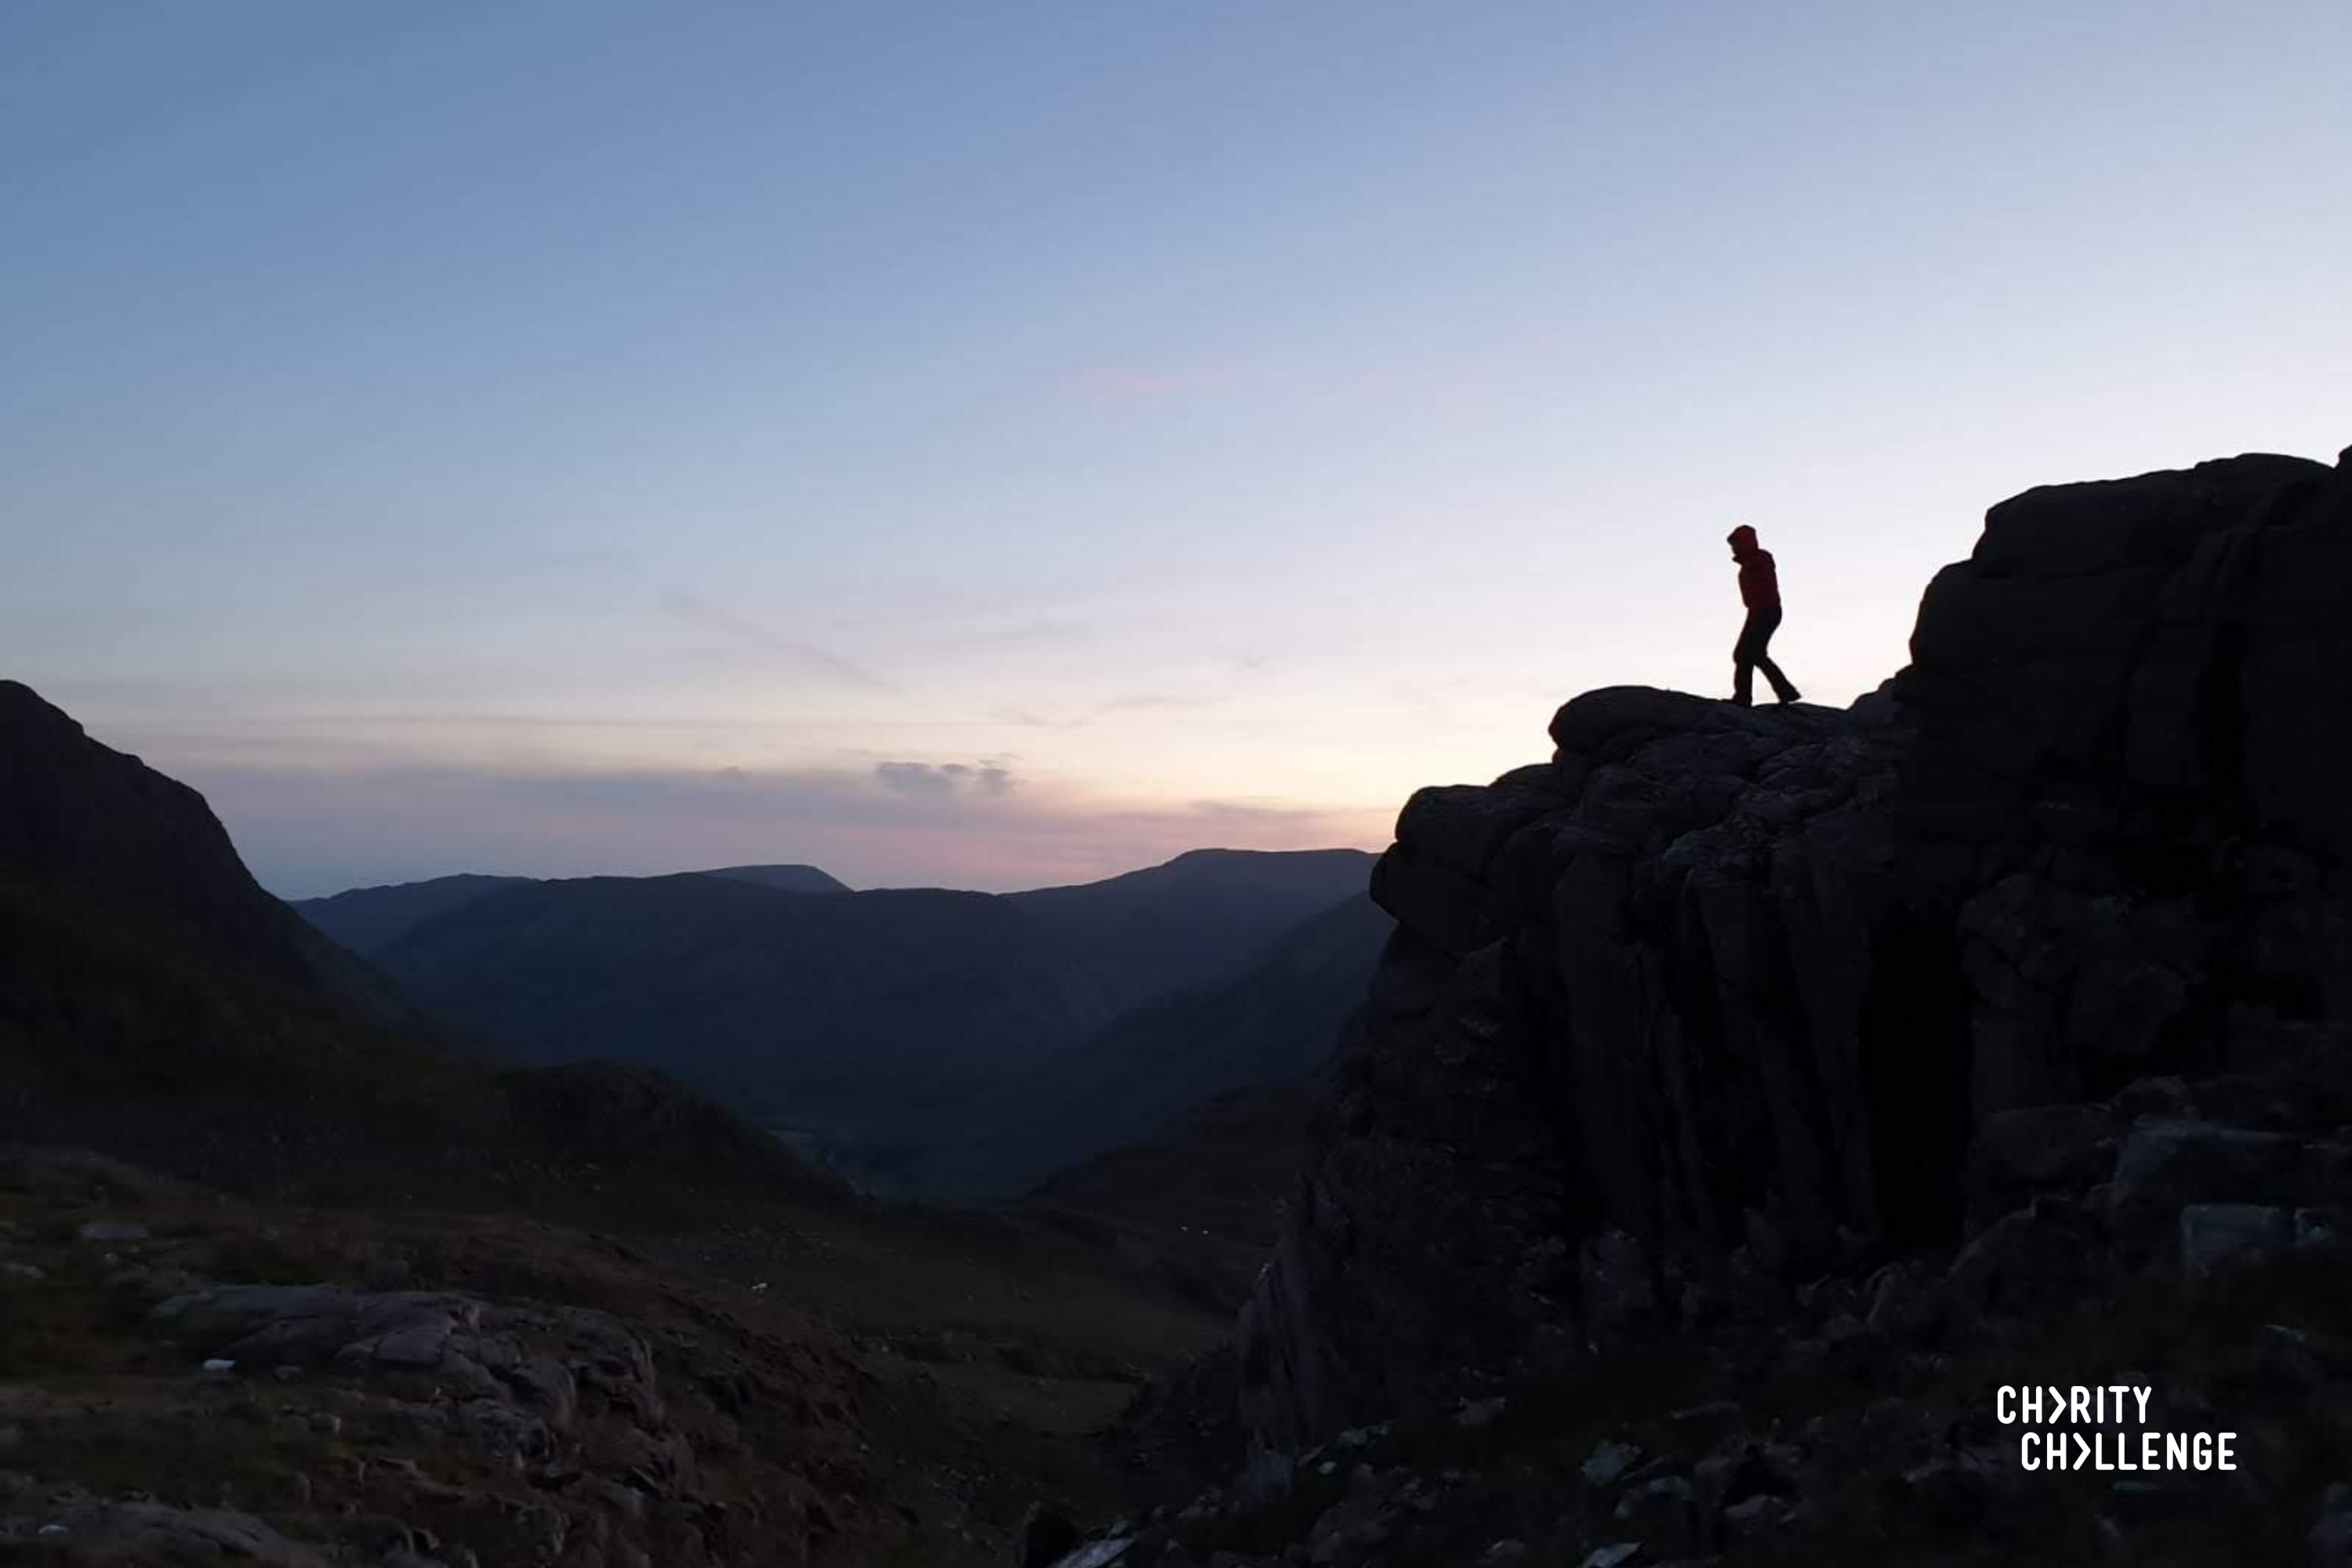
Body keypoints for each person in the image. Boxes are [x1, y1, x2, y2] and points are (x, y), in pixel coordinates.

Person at [1726, 524, 1801, 706]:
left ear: (1746, 543)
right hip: (1759, 612)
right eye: (1733, 545)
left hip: (1766, 611)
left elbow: (1762, 579)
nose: (1734, 549)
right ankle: (1786, 692)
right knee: (1754, 654)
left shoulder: (1759, 559)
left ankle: (1743, 698)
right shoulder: (1751, 562)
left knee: (1744, 654)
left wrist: (1745, 557)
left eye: (1736, 544)